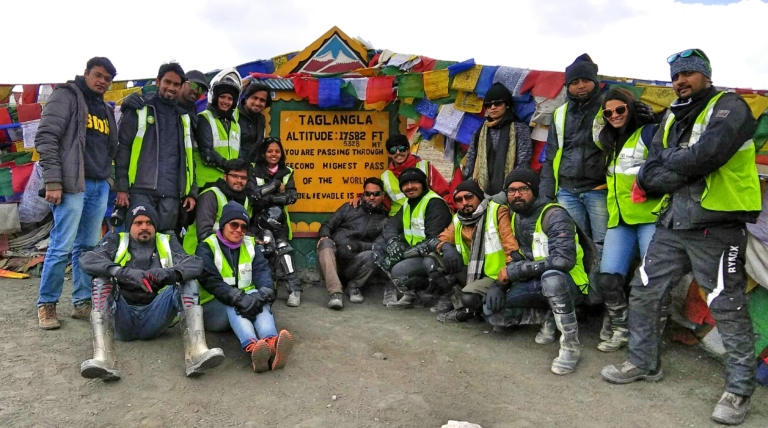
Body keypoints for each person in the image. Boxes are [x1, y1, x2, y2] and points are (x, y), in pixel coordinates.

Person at [601, 49, 760, 426]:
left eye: (688, 73)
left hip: (716, 225)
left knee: (727, 305)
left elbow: (709, 156)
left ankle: (738, 391)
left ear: (706, 75)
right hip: (673, 222)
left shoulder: (730, 107)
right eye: (675, 76)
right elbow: (649, 172)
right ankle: (643, 363)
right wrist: (682, 164)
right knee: (644, 291)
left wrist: (674, 163)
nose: (680, 81)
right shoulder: (672, 114)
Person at [79, 204, 224, 380]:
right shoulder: (116, 239)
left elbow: (194, 263)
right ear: (130, 226)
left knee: (187, 281)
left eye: (149, 223)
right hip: (122, 318)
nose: (144, 227)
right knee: (100, 281)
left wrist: (169, 273)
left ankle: (197, 352)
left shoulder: (167, 241)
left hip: (154, 318)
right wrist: (122, 272)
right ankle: (104, 358)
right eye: (138, 223)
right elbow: (87, 259)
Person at [35, 57, 119, 329]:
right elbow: (46, 137)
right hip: (71, 184)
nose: (102, 81)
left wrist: (108, 179)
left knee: (88, 247)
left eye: (107, 79)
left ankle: (81, 301)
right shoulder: (67, 96)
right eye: (98, 75)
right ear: (86, 73)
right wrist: (53, 181)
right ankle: (46, 304)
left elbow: (111, 147)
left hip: (98, 185)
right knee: (61, 245)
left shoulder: (105, 109)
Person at [485, 169, 589, 375]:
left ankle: (570, 346)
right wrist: (499, 285)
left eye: (523, 189)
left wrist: (516, 271)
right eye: (511, 190)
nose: (516, 195)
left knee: (552, 279)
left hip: (569, 283)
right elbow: (519, 257)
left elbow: (563, 260)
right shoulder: (516, 217)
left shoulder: (554, 214)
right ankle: (547, 316)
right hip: (534, 281)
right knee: (492, 311)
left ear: (534, 190)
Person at [593, 88, 660, 353]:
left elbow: (667, 164)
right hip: (619, 219)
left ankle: (649, 340)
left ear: (631, 108)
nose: (614, 115)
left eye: (620, 109)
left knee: (651, 280)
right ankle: (621, 330)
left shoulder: (648, 133)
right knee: (608, 278)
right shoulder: (608, 140)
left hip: (650, 217)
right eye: (608, 112)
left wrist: (651, 120)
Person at [196, 201, 294, 373]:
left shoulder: (250, 245)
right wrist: (237, 297)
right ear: (223, 225)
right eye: (234, 224)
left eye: (243, 227)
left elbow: (263, 273)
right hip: (213, 310)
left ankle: (271, 343)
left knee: (259, 296)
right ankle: (252, 347)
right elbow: (210, 280)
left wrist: (261, 295)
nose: (239, 230)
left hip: (246, 301)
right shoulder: (206, 246)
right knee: (232, 301)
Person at [539, 54, 608, 259]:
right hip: (567, 191)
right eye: (575, 82)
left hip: (599, 189)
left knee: (603, 244)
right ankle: (581, 280)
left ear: (595, 82)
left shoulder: (609, 108)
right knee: (574, 243)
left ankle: (601, 280)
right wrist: (546, 194)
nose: (581, 86)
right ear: (568, 86)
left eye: (586, 80)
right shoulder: (559, 113)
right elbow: (551, 157)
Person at [115, 62, 197, 234]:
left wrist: (191, 192)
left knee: (165, 241)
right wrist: (121, 188)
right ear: (158, 81)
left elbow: (189, 158)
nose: (171, 88)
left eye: (176, 84)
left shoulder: (184, 117)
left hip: (172, 194)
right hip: (140, 191)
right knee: (137, 239)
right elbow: (123, 149)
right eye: (167, 82)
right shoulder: (139, 108)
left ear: (182, 87)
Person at [433, 179, 518, 323]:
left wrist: (503, 281)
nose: (464, 203)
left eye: (469, 197)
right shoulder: (459, 218)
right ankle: (459, 305)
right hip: (471, 271)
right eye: (459, 200)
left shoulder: (497, 211)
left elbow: (512, 248)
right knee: (433, 260)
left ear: (478, 196)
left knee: (470, 298)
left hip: (496, 275)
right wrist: (446, 247)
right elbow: (442, 238)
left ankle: (473, 309)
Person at [380, 168, 453, 309]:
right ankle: (414, 295)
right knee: (389, 261)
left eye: (414, 182)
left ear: (423, 184)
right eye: (405, 184)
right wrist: (393, 241)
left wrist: (404, 253)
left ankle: (447, 295)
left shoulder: (434, 203)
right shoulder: (408, 204)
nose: (409, 187)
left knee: (419, 265)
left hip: (438, 253)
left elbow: (433, 239)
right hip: (417, 252)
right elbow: (391, 225)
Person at [317, 178, 388, 309]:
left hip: (355, 262)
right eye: (368, 194)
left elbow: (379, 246)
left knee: (374, 255)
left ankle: (354, 286)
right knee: (325, 243)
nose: (371, 197)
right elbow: (327, 225)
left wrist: (357, 246)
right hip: (334, 258)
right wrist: (325, 236)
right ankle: (335, 293)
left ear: (383, 195)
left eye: (376, 194)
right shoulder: (350, 207)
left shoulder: (384, 219)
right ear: (363, 194)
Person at [248, 138, 301, 306]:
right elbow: (254, 196)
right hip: (258, 221)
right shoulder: (253, 169)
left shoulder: (287, 171)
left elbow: (292, 196)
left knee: (284, 249)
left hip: (279, 222)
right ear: (264, 153)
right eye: (270, 151)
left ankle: (294, 290)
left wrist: (268, 195)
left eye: (277, 151)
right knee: (266, 246)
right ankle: (267, 288)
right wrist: (275, 186)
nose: (274, 154)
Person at [464, 82, 533, 195]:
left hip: (511, 190)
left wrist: (510, 188)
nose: (493, 107)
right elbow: (471, 158)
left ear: (507, 105)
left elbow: (523, 160)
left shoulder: (519, 128)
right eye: (488, 105)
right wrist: (472, 185)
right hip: (481, 189)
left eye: (497, 103)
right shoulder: (481, 130)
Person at [182, 158, 252, 254]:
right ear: (225, 177)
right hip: (196, 252)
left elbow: (243, 230)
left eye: (243, 178)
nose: (239, 180)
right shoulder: (211, 194)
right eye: (235, 176)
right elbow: (203, 233)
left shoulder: (245, 199)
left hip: (224, 253)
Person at [380, 134, 453, 216]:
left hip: (425, 216)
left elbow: (444, 193)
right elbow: (384, 204)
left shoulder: (425, 166)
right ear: (389, 154)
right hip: (397, 219)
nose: (398, 153)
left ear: (408, 150)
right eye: (393, 150)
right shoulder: (384, 177)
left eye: (401, 149)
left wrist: (448, 213)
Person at [194, 68, 243, 188]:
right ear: (214, 97)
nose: (226, 101)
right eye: (222, 97)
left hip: (227, 184)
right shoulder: (204, 118)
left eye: (230, 98)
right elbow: (207, 152)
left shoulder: (236, 125)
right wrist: (230, 167)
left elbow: (239, 155)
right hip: (206, 184)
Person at [123, 69, 209, 130]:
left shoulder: (196, 111)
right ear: (182, 83)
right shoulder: (156, 101)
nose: (196, 91)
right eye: (193, 85)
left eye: (201, 90)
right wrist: (125, 104)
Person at [238, 80, 270, 166]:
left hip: (253, 168)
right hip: (235, 167)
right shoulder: (234, 115)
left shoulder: (261, 119)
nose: (258, 103)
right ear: (246, 98)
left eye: (262, 100)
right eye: (254, 98)